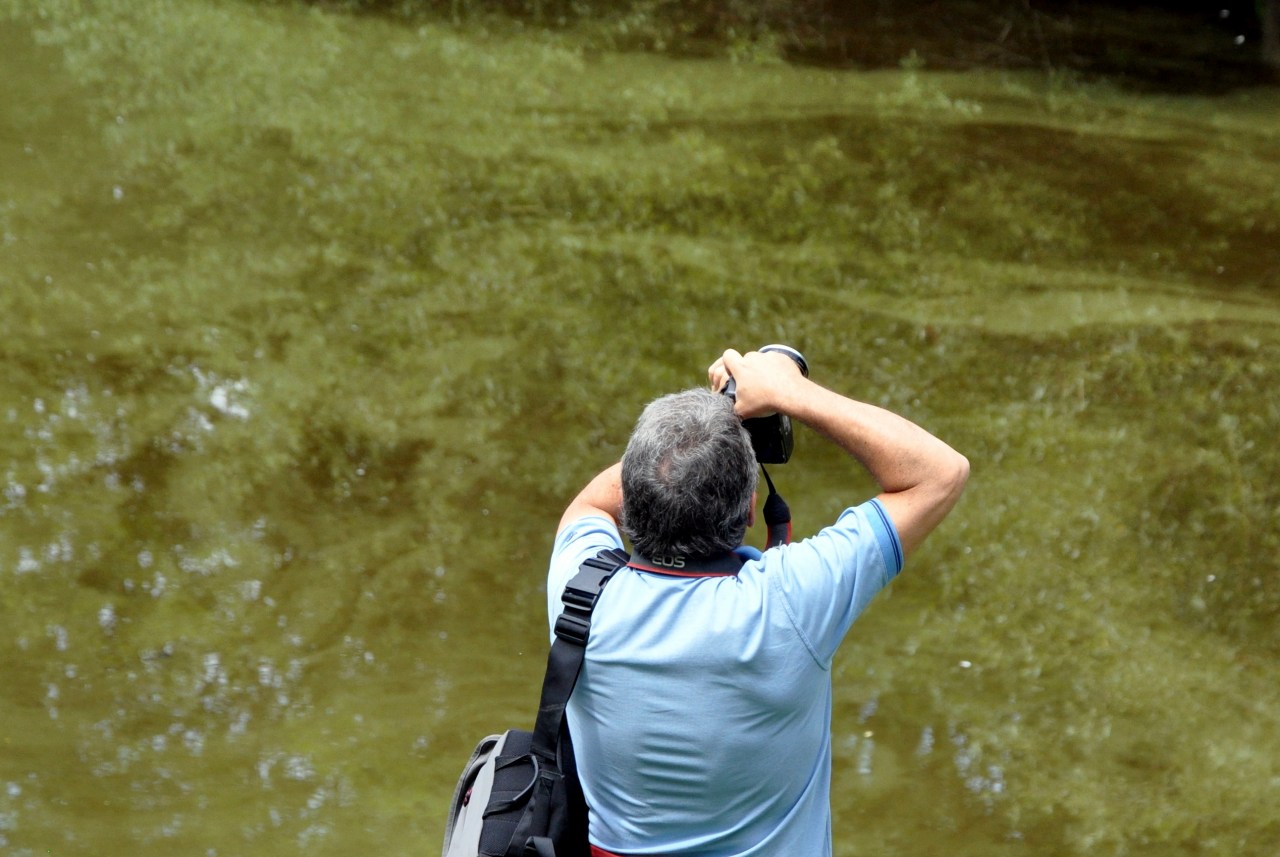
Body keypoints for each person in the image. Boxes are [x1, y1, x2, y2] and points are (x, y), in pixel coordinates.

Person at [547, 347, 969, 857]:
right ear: (751, 509)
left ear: (634, 498)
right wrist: (787, 393)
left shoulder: (582, 592)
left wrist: (696, 432)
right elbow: (941, 472)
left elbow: (591, 502)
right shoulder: (788, 603)